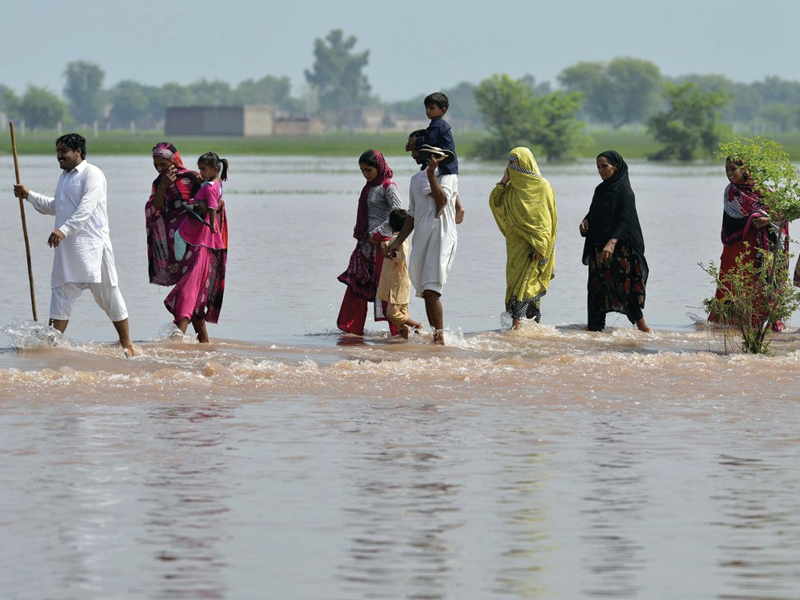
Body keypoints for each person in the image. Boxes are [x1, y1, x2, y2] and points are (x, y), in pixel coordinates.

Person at [12, 133, 135, 355]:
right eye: (57, 152)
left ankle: (127, 344)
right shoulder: (65, 177)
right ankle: (50, 350)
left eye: (63, 152)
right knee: (60, 296)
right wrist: (29, 195)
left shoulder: (92, 174)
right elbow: (56, 206)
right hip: (67, 250)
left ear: (78, 152)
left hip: (93, 248)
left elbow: (85, 209)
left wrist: (63, 230)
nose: (59, 156)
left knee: (110, 296)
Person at [386, 138, 458, 345]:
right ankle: (436, 337)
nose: (415, 155)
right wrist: (398, 241)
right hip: (422, 237)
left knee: (433, 287)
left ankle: (441, 337)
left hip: (441, 236)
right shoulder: (415, 179)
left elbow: (442, 200)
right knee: (426, 290)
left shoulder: (448, 177)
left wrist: (431, 176)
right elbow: (412, 214)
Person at [710, 158, 787, 330]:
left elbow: (782, 214)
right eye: (726, 169)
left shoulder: (764, 191)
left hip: (758, 250)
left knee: (757, 285)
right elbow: (734, 218)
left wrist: (767, 220)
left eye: (733, 169)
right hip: (736, 248)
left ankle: (759, 326)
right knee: (733, 285)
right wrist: (754, 217)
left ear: (745, 169)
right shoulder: (731, 191)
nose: (729, 173)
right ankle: (728, 325)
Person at [161, 151, 229, 342]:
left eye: (203, 169)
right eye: (199, 169)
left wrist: (211, 222)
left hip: (201, 239)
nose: (200, 173)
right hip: (200, 240)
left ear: (214, 169)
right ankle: (204, 344)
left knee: (188, 290)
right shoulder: (210, 183)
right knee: (196, 293)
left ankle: (177, 339)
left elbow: (213, 206)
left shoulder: (207, 186)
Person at [580, 151, 650, 333]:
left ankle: (644, 329)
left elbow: (625, 220)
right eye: (598, 167)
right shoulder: (600, 190)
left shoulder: (625, 191)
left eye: (605, 166)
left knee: (623, 288)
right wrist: (586, 221)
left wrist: (611, 243)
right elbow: (595, 212)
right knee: (596, 289)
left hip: (618, 250)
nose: (601, 171)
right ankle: (594, 330)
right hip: (598, 247)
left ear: (616, 167)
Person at [489, 147, 557, 329]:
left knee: (528, 285)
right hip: (515, 247)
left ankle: (517, 328)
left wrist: (541, 246)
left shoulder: (542, 186)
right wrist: (503, 182)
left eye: (514, 162)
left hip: (534, 246)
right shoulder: (510, 189)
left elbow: (546, 219)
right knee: (516, 283)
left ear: (525, 163)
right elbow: (495, 202)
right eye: (509, 162)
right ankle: (532, 332)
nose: (510, 166)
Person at [337, 149, 403, 336]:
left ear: (379, 168)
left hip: (380, 247)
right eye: (362, 171)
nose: (365, 175)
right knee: (356, 286)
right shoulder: (368, 187)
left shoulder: (387, 186)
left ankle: (400, 331)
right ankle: (352, 331)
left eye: (368, 170)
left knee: (385, 291)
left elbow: (398, 213)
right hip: (364, 247)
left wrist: (377, 234)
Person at [377, 209, 424, 339]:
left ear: (391, 225)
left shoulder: (398, 239)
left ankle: (416, 325)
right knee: (402, 315)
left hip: (398, 282)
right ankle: (404, 342)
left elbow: (401, 256)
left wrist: (387, 250)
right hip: (398, 281)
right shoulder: (396, 239)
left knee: (392, 313)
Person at [407, 92, 459, 178]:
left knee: (445, 191)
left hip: (447, 168)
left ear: (443, 111)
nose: (428, 111)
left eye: (432, 108)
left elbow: (430, 141)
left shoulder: (438, 124)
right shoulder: (435, 124)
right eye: (426, 108)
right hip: (444, 167)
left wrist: (416, 141)